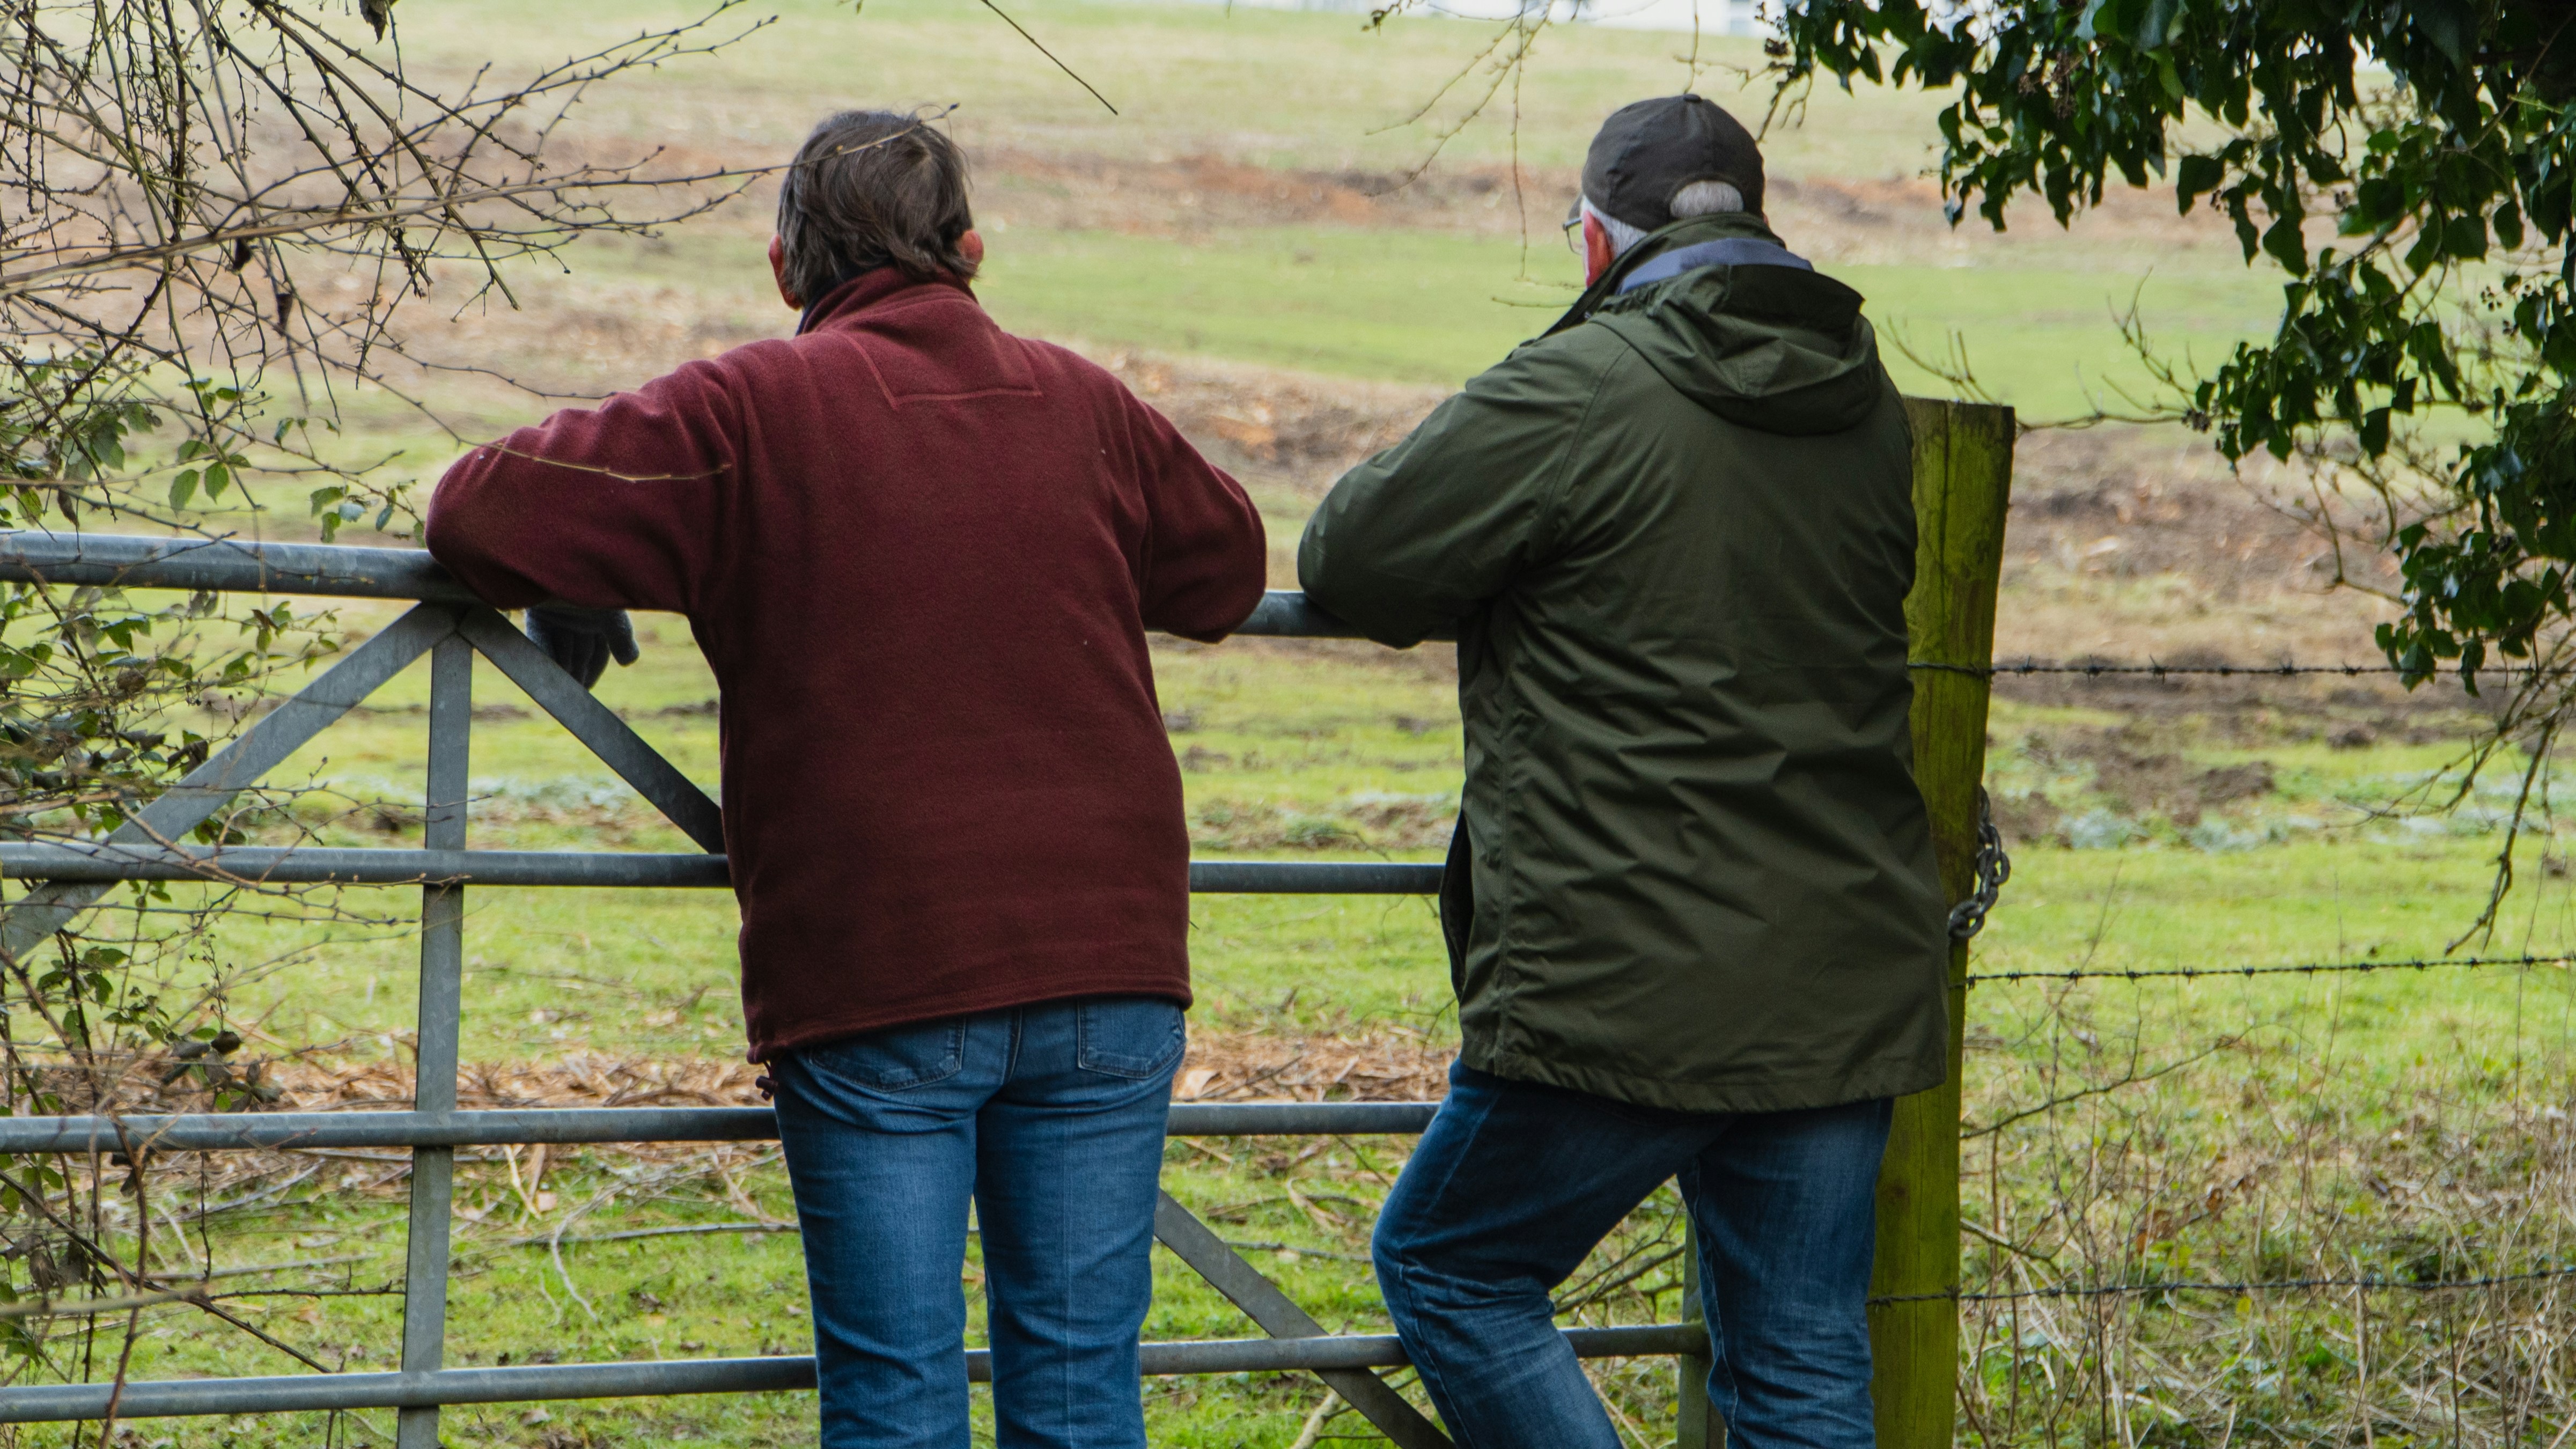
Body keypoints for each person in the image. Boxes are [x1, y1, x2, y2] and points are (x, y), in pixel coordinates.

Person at [426, 109, 1268, 1449]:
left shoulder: (746, 409)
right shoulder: (1085, 402)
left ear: (783, 269)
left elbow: (480, 507)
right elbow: (1223, 568)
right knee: (1078, 1389)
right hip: (1107, 962)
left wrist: (580, 567)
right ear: (972, 250)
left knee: (894, 1393)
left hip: (883, 968)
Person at [1298, 94, 1951, 1449]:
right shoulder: (1865, 402)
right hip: (1836, 966)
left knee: (1451, 1263)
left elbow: (1350, 558)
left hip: (1622, 973)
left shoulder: (1581, 385)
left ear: (1598, 245)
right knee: (1802, 1362)